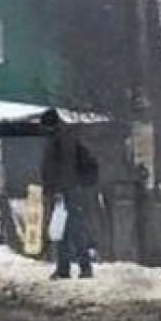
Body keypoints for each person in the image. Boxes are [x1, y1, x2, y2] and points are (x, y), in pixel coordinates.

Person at [40, 110, 100, 280]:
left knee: (74, 229)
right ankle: (65, 268)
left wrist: (59, 190)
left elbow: (64, 168)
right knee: (64, 230)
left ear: (49, 125)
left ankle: (83, 267)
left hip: (68, 192)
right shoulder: (62, 137)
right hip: (67, 191)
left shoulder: (62, 139)